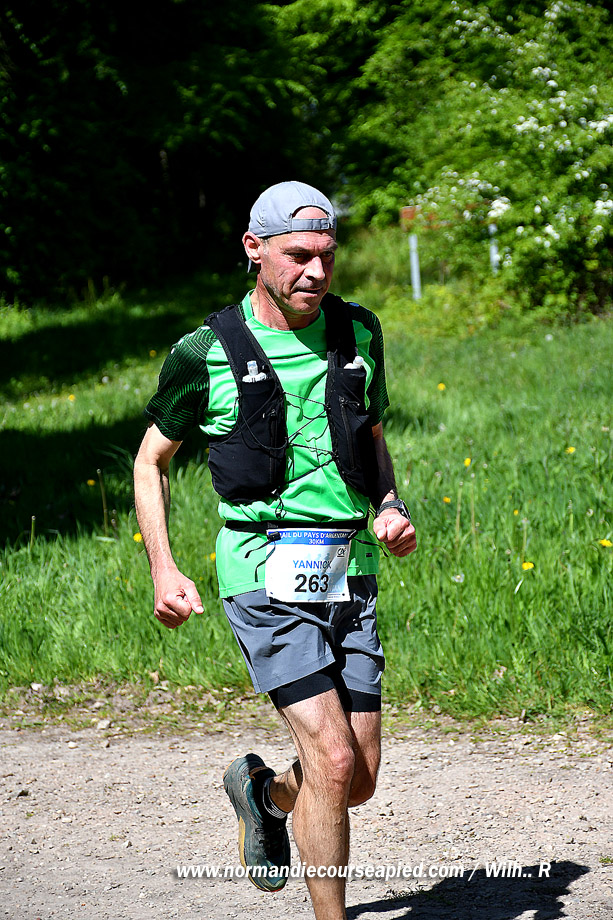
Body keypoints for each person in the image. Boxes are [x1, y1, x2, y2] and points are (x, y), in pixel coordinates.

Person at [133, 180, 417, 920]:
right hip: (260, 570)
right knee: (332, 757)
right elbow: (150, 460)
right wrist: (164, 566)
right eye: (297, 256)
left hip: (348, 571)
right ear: (254, 249)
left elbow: (372, 437)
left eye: (327, 256)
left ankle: (265, 793)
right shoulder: (205, 352)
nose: (316, 272)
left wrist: (389, 505)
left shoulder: (358, 333)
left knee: (356, 777)